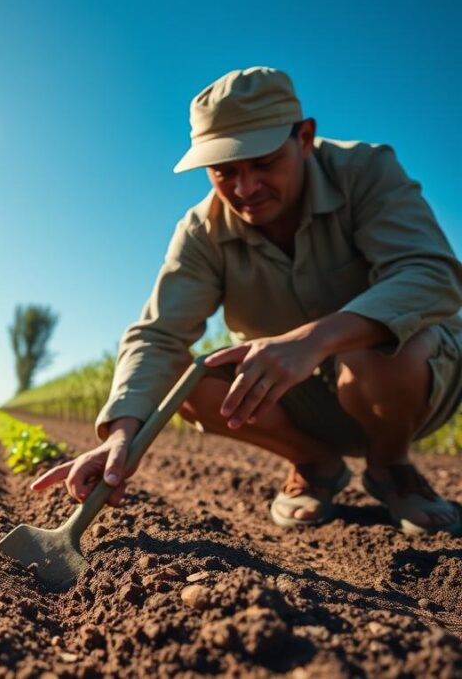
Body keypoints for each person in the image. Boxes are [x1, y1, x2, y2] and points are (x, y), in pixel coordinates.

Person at [31, 66, 462, 536]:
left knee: (381, 346)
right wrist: (120, 436)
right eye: (225, 171)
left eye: (264, 163)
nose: (245, 188)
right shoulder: (202, 231)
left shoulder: (364, 171)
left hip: (405, 387)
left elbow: (431, 273)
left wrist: (314, 339)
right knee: (185, 377)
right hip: (292, 398)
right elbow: (158, 336)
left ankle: (392, 467)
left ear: (304, 138)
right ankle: (314, 462)